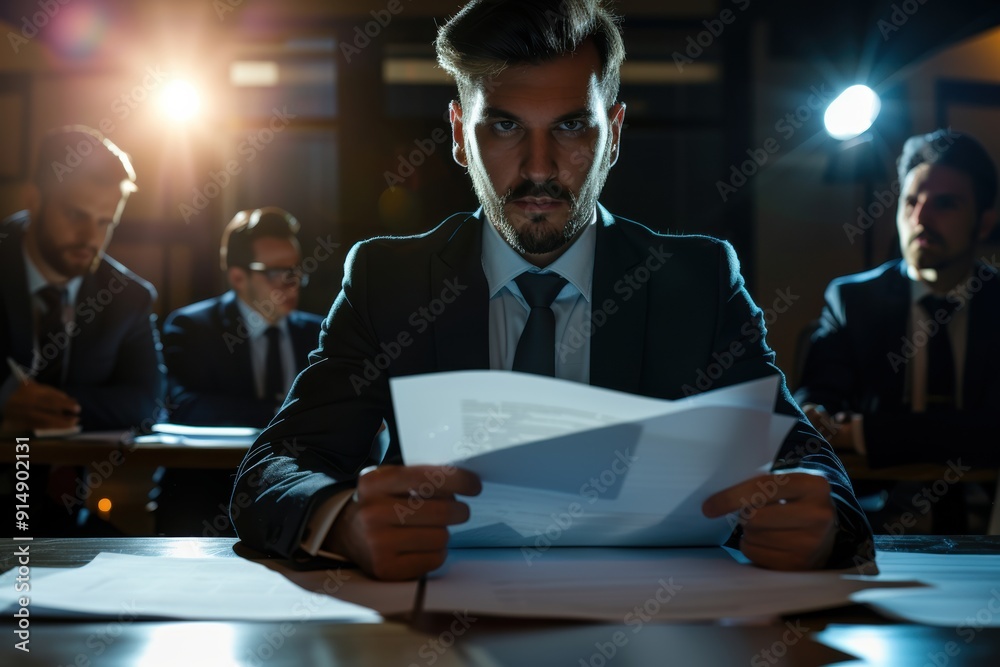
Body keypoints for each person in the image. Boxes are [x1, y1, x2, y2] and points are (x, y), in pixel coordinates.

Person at [232, 0, 873, 580]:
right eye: (505, 127)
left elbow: (804, 460)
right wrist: (339, 520)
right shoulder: (389, 279)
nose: (539, 168)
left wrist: (817, 522)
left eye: (571, 127)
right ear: (459, 134)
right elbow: (274, 468)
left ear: (613, 133)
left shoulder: (699, 280)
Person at [796, 129, 999, 532]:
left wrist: (863, 432)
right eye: (910, 202)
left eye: (945, 204)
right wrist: (814, 413)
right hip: (872, 525)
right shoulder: (854, 301)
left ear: (984, 222)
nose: (920, 219)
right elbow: (816, 400)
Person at [0, 124, 162, 533]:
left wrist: (48, 408)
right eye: (76, 215)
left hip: (64, 516)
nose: (90, 237)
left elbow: (147, 400)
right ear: (33, 200)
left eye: (105, 222)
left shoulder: (129, 298)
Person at [161, 207, 323, 427]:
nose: (292, 285)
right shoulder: (194, 328)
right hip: (224, 461)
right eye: (276, 273)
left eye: (295, 271)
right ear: (238, 278)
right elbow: (183, 405)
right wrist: (284, 415)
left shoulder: (320, 332)